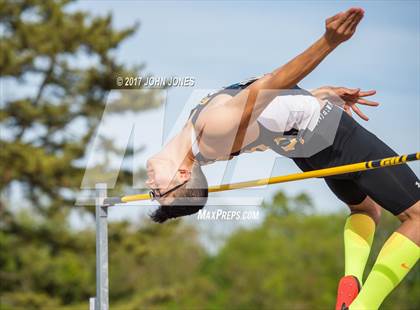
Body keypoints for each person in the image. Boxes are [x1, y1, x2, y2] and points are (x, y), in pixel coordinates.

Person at [145, 8, 419, 310]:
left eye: (154, 193)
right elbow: (271, 84)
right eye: (159, 192)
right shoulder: (213, 129)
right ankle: (363, 307)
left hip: (304, 150)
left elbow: (262, 119)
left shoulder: (198, 144)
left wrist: (313, 95)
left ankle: (351, 283)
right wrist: (329, 42)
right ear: (183, 174)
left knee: (365, 209)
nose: (150, 185)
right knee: (418, 217)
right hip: (329, 134)